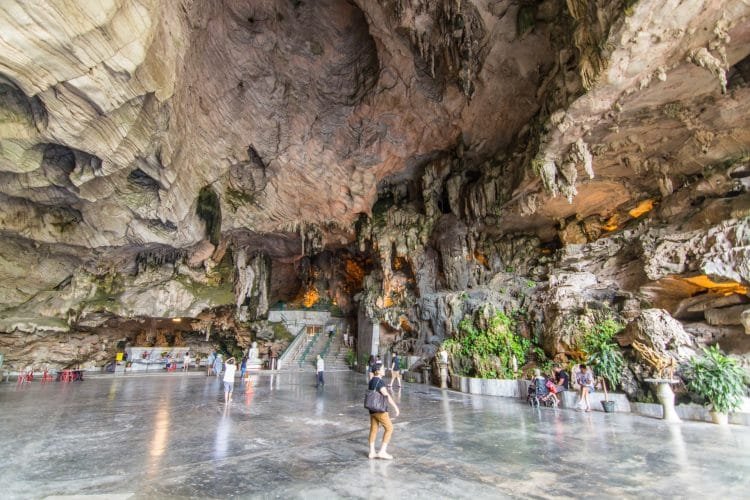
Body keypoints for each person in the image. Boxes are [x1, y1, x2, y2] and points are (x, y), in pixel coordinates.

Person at [367, 365, 400, 459]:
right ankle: (382, 451)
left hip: (372, 408)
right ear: (377, 371)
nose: (384, 370)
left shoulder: (372, 381)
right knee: (389, 428)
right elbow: (386, 395)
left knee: (374, 429)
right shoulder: (380, 382)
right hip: (379, 409)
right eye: (382, 369)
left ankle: (372, 452)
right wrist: (395, 407)